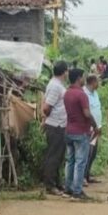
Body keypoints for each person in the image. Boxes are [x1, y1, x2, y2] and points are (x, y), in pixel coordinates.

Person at [63, 68, 95, 201]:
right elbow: (87, 113)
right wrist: (95, 125)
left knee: (70, 160)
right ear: (78, 78)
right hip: (81, 131)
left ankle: (68, 188)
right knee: (80, 162)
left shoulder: (67, 93)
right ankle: (77, 191)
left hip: (69, 130)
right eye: (83, 77)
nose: (84, 79)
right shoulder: (81, 94)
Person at [41, 61, 69, 196]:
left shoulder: (57, 85)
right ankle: (50, 184)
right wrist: (48, 118)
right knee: (53, 156)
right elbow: (47, 107)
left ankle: (57, 182)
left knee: (59, 156)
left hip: (59, 125)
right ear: (64, 72)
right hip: (55, 125)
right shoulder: (55, 86)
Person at [83, 75, 103, 186]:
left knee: (93, 153)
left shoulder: (95, 93)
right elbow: (87, 113)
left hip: (96, 128)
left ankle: (87, 174)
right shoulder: (84, 93)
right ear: (93, 82)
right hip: (89, 129)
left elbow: (96, 110)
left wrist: (99, 126)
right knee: (87, 153)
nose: (99, 83)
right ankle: (82, 177)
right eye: (97, 81)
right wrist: (94, 126)